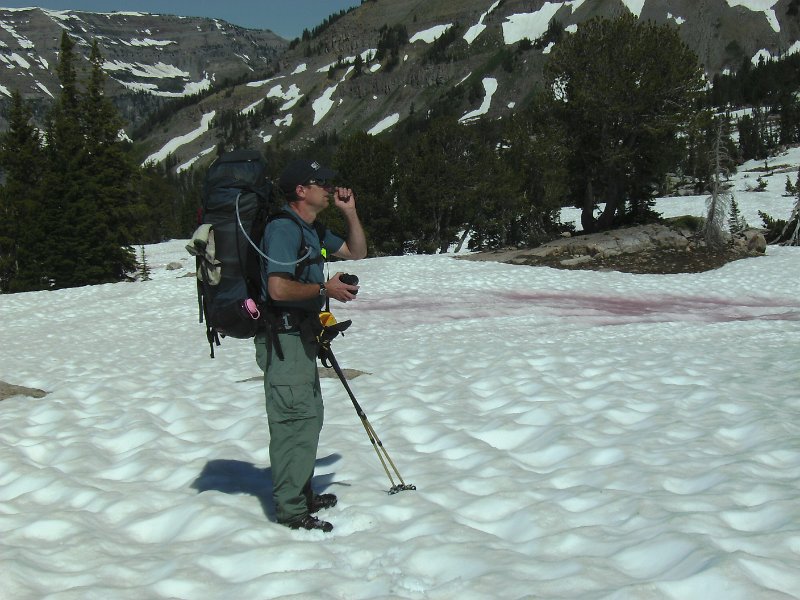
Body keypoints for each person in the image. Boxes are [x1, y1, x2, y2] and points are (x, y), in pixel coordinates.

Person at [257, 158, 366, 532]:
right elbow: (277, 288)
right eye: (319, 181)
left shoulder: (312, 229)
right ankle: (290, 510)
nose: (327, 187)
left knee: (308, 419)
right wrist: (324, 288)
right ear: (300, 191)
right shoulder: (283, 230)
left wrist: (349, 212)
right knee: (293, 422)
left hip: (300, 336)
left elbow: (356, 252)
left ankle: (300, 493)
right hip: (283, 339)